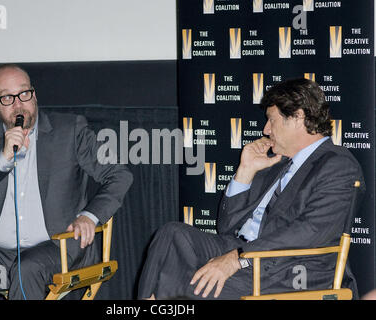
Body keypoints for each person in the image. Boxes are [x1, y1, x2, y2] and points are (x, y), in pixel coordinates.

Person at [138, 78, 365, 299]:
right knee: (172, 234)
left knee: (187, 285)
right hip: (244, 251)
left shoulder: (337, 164)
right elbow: (226, 227)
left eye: (271, 120)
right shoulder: (277, 163)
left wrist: (238, 258)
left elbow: (310, 231)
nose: (266, 129)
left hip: (291, 269)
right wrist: (245, 170)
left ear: (297, 117)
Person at [0, 64, 133, 300]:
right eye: (7, 97)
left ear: (34, 95)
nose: (19, 104)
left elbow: (119, 174)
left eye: (24, 94)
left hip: (57, 247)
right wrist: (2, 158)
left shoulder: (70, 131)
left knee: (24, 269)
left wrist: (90, 216)